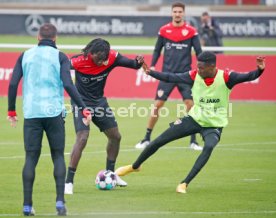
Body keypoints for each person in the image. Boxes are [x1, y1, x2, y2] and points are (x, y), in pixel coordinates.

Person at [116, 51, 265, 194]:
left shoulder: (227, 77)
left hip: (214, 125)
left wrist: (259, 70)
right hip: (193, 119)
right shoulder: (194, 75)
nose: (198, 69)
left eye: (201, 67)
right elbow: (170, 77)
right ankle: (134, 166)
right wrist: (150, 72)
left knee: (208, 147)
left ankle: (184, 183)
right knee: (160, 140)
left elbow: (249, 76)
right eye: (197, 66)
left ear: (212, 67)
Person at [7, 23, 91, 216]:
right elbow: (69, 85)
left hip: (32, 113)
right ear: (55, 38)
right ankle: (60, 202)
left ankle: (27, 205)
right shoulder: (60, 56)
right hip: (54, 113)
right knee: (58, 156)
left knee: (30, 158)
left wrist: (11, 111)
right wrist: (83, 108)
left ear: (38, 38)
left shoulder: (25, 55)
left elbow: (12, 84)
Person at [64, 38, 144, 194]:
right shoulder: (77, 61)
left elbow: (133, 65)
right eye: (98, 59)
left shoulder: (112, 57)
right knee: (82, 138)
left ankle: (111, 174)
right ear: (90, 53)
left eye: (104, 59)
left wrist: (139, 62)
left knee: (115, 136)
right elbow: (61, 73)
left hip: (99, 103)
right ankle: (68, 182)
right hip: (81, 103)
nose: (101, 62)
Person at [135, 2, 203, 150]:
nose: (177, 14)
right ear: (172, 13)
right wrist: (152, 65)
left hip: (185, 75)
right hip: (166, 75)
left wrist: (202, 68)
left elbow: (199, 52)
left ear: (183, 13)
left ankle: (193, 141)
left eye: (180, 12)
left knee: (190, 106)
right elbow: (157, 50)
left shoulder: (191, 32)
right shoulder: (164, 30)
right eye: (175, 12)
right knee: (157, 105)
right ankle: (146, 138)